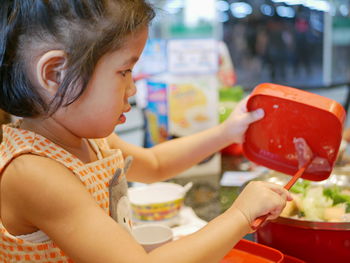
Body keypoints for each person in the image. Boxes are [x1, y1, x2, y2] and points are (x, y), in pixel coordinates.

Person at [0, 1, 292, 262]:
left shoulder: (89, 140)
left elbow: (155, 165)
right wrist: (240, 215)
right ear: (55, 74)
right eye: (124, 72)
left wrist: (227, 133)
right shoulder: (34, 173)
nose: (133, 88)